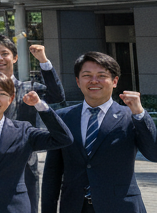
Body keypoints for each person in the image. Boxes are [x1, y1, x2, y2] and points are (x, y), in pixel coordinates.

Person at [0, 36, 65, 213]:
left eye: (4, 54)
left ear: (15, 58)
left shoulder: (28, 88)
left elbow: (57, 96)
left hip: (24, 168)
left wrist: (43, 61)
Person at [43, 51, 157, 213]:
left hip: (121, 206)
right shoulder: (62, 117)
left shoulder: (130, 116)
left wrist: (140, 114)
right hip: (74, 207)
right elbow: (52, 172)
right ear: (78, 81)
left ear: (115, 81)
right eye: (87, 75)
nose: (94, 81)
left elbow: (153, 154)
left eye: (101, 75)